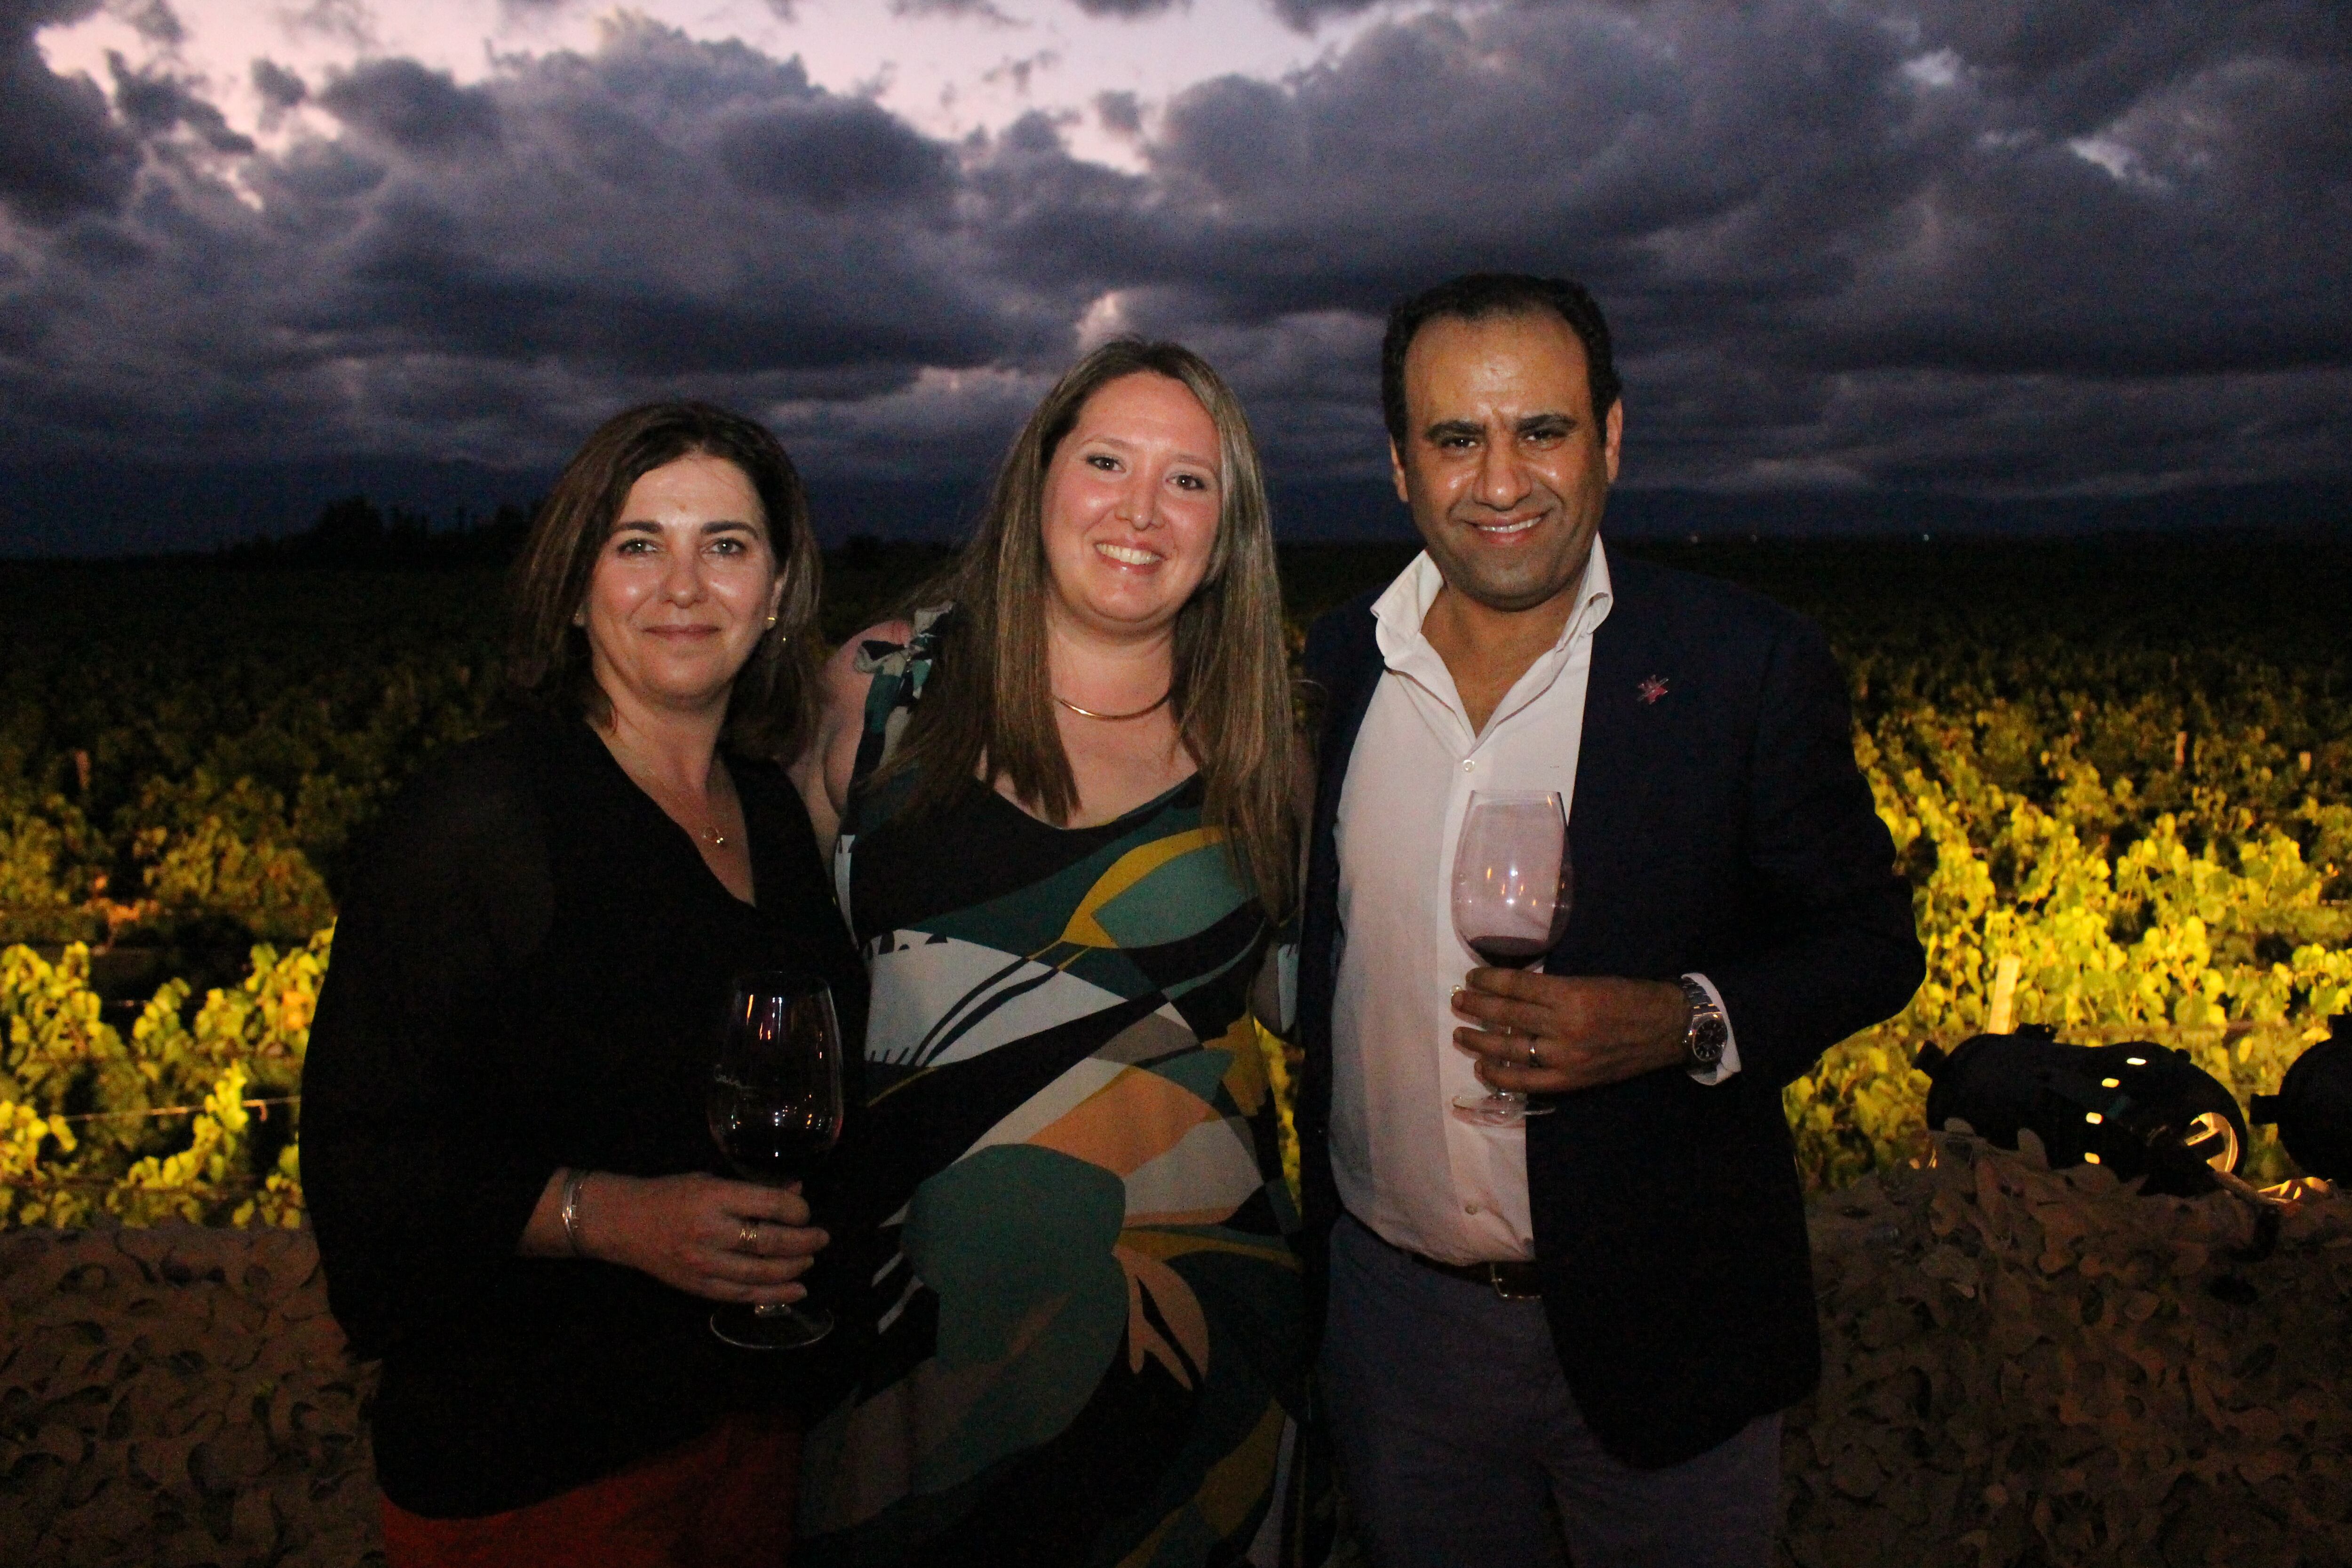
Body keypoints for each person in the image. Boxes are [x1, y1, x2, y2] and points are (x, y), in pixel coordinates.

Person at [1294, 274, 1925, 1568]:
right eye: (1457, 438)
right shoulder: (1330, 668)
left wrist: (1684, 1019)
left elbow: (1870, 941)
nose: (1501, 478)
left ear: (1614, 438)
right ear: (1400, 466)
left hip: (1670, 1322)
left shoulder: (1743, 665)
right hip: (1398, 1332)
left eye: (1544, 429)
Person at [302, 401, 863, 1567]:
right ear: (573, 588)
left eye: (726, 544)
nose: (683, 584)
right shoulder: (484, 822)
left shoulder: (770, 812)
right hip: (533, 1463)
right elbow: (365, 1171)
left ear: (775, 595)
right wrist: (609, 1215)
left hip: (744, 1431)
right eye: (636, 542)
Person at [791, 339, 1324, 1567]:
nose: (1142, 509)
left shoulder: (1264, 744)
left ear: (1228, 526)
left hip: (1200, 1353)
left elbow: (1318, 1009)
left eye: (1189, 481)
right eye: (1106, 461)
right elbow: (751, 970)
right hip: (914, 1353)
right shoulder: (880, 693)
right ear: (1039, 479)